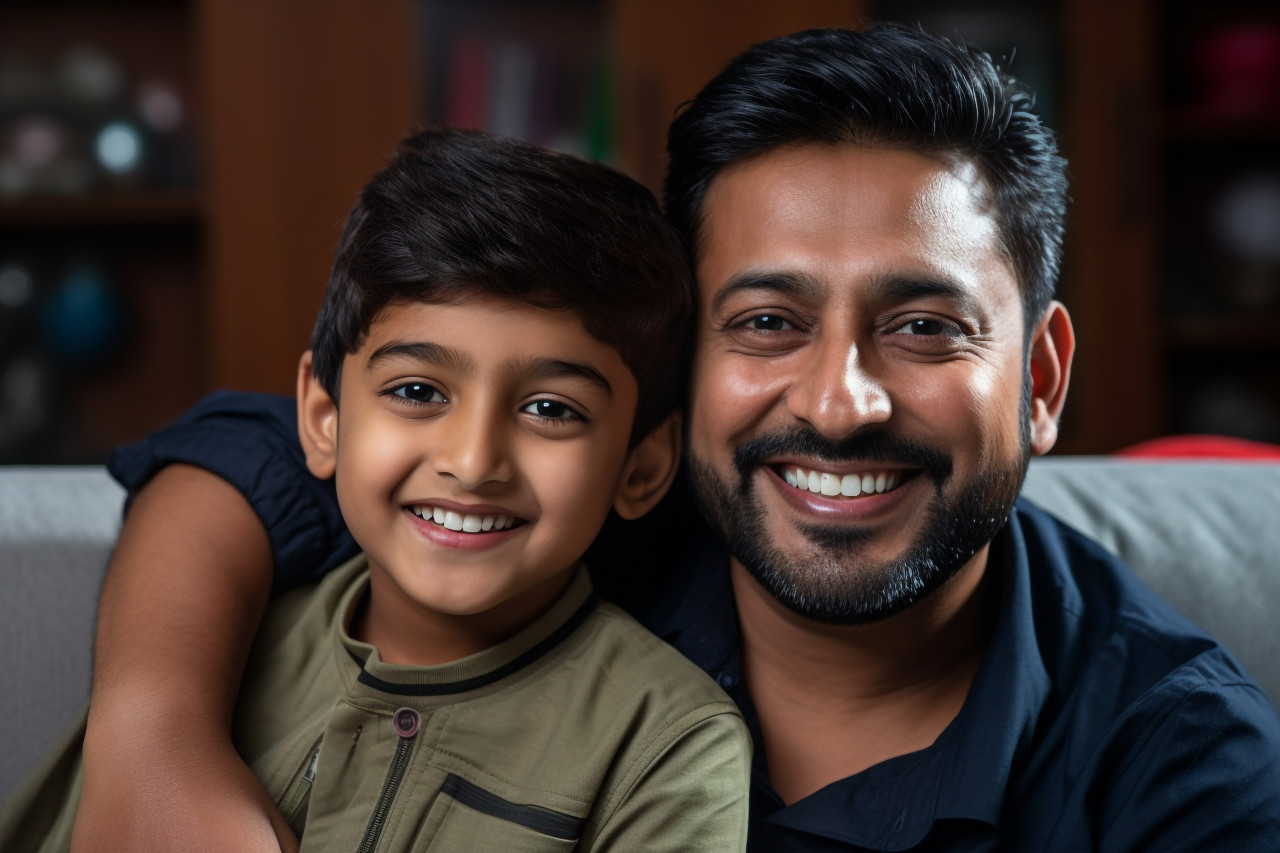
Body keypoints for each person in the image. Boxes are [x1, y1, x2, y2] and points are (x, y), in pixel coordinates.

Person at [50, 22, 1280, 853]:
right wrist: (154, 736)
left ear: (1040, 377)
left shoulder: (1182, 776)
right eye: (765, 321)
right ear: (679, 368)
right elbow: (259, 444)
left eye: (921, 326)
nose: (837, 403)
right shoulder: (574, 513)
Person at [0, 128, 752, 851]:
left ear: (641, 467)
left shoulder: (667, 745)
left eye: (551, 409)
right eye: (418, 391)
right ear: (323, 419)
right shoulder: (219, 642)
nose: (473, 461)